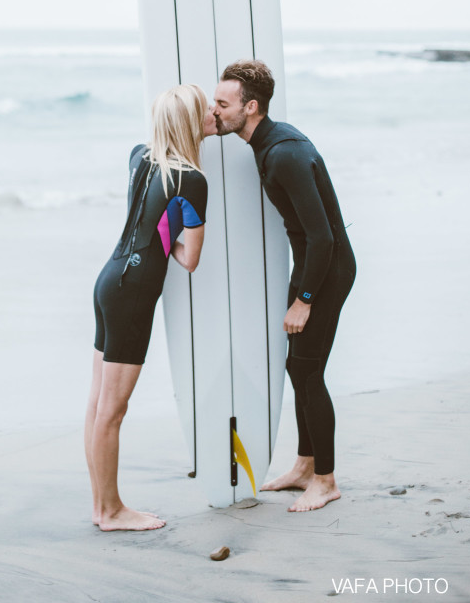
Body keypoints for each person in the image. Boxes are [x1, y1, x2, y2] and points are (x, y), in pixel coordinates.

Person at [213, 60, 356, 512]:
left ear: (250, 107)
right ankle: (303, 466)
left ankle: (326, 480)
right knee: (299, 370)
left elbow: (323, 237)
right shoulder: (268, 143)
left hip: (327, 270)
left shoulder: (284, 153)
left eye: (222, 103)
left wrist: (304, 299)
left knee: (309, 372)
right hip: (314, 266)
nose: (214, 111)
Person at [85, 84, 216, 532]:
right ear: (188, 122)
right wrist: (167, 238)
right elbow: (189, 258)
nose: (211, 114)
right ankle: (110, 511)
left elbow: (147, 214)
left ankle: (103, 505)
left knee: (98, 407)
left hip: (109, 280)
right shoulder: (192, 182)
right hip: (135, 294)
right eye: (205, 110)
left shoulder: (138, 156)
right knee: (112, 412)